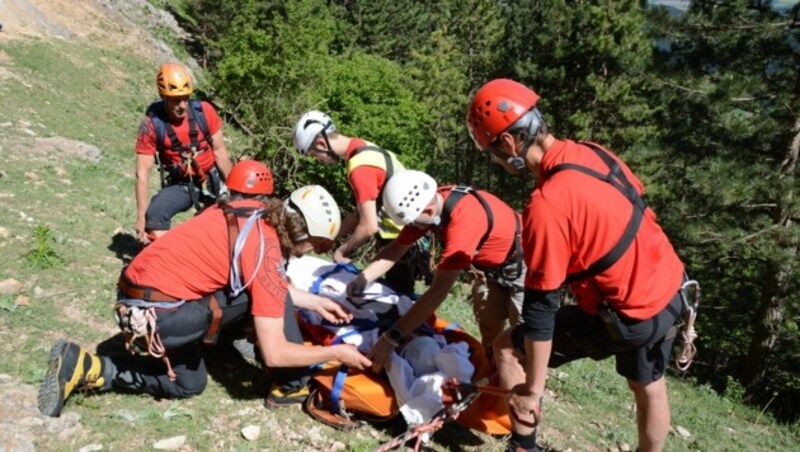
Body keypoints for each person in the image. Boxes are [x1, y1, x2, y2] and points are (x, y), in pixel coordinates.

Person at [37, 160, 371, 418]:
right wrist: (336, 353)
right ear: (303, 236)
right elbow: (276, 352)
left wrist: (312, 300)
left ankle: (98, 365)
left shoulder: (245, 209)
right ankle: (92, 367)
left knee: (195, 377)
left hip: (136, 297)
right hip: (159, 317)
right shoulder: (267, 252)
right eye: (313, 246)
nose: (309, 253)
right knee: (264, 301)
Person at [466, 79, 689, 452]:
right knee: (649, 385)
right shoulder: (592, 152)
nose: (495, 159)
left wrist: (532, 389)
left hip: (628, 313)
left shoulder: (547, 203)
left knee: (507, 346)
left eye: (492, 151)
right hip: (670, 289)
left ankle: (522, 446)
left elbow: (540, 307)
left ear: (508, 143)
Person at [346, 169, 526, 372]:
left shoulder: (462, 222)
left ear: (429, 212)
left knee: (521, 343)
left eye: (413, 223)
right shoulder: (428, 203)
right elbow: (396, 249)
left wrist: (393, 336)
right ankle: (492, 374)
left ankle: (519, 390)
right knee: (490, 328)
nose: (413, 227)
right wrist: (363, 278)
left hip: (527, 267)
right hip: (493, 268)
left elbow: (438, 292)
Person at [292, 110, 431, 294]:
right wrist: (330, 239)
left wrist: (342, 250)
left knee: (396, 303)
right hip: (409, 237)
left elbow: (369, 226)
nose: (318, 160)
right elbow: (359, 213)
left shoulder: (360, 168)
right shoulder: (364, 148)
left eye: (314, 154)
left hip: (401, 243)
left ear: (321, 143)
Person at [134, 62, 234, 245]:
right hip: (182, 184)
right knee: (154, 215)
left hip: (214, 179)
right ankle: (168, 257)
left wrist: (235, 190)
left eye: (185, 98)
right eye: (175, 100)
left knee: (229, 222)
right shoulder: (151, 125)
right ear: (163, 96)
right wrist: (141, 216)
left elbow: (220, 152)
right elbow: (142, 172)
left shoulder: (204, 112)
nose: (182, 105)